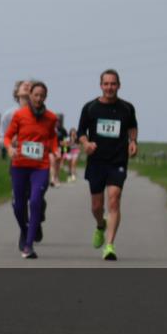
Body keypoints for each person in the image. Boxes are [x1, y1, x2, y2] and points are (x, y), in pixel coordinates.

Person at [77, 69, 138, 261]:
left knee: (114, 198)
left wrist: (133, 141)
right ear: (101, 85)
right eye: (106, 84)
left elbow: (132, 126)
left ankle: (110, 246)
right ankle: (100, 225)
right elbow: (80, 131)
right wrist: (86, 144)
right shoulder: (90, 108)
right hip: (96, 161)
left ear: (119, 85)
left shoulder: (127, 108)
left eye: (113, 84)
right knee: (97, 206)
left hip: (117, 161)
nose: (110, 87)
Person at [4, 81, 60, 259]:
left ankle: (28, 246)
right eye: (35, 95)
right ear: (30, 96)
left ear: (45, 97)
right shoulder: (20, 115)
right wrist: (10, 148)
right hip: (20, 165)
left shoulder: (51, 118)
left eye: (42, 96)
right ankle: (26, 229)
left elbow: (52, 137)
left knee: (35, 201)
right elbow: (7, 136)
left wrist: (55, 149)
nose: (38, 98)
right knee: (18, 206)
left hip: (40, 167)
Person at [50, 113, 68, 187]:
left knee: (57, 165)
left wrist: (65, 151)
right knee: (52, 163)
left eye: (58, 121)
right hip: (51, 149)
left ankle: (56, 177)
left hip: (59, 149)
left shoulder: (63, 130)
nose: (57, 122)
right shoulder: (50, 128)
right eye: (55, 121)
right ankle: (52, 179)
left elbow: (66, 141)